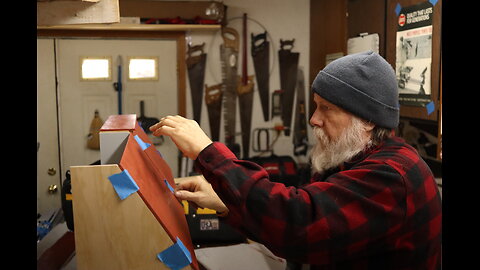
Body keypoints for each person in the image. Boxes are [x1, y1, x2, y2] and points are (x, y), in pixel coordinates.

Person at [149, 51, 442, 269]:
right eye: (316, 106)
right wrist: (227, 202)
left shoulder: (392, 175)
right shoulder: (357, 160)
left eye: (326, 108)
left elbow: (299, 225)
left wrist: (208, 152)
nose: (314, 119)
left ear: (366, 120)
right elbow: (296, 220)